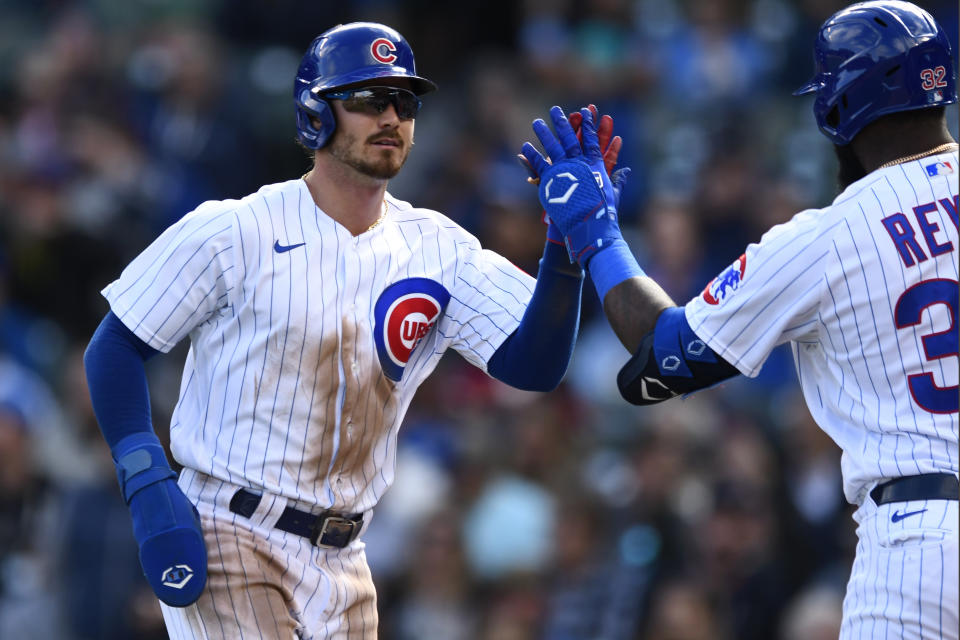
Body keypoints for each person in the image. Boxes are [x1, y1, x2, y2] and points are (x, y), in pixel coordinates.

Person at [83, 22, 591, 638]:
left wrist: (565, 253)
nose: (391, 116)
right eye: (368, 99)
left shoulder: (441, 247)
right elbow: (115, 345)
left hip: (347, 558)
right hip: (230, 530)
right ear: (315, 116)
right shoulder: (234, 229)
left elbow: (533, 367)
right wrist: (148, 485)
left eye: (404, 102)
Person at [522, 1, 958, 638]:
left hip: (917, 542)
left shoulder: (830, 235)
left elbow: (663, 355)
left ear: (836, 110)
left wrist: (597, 234)